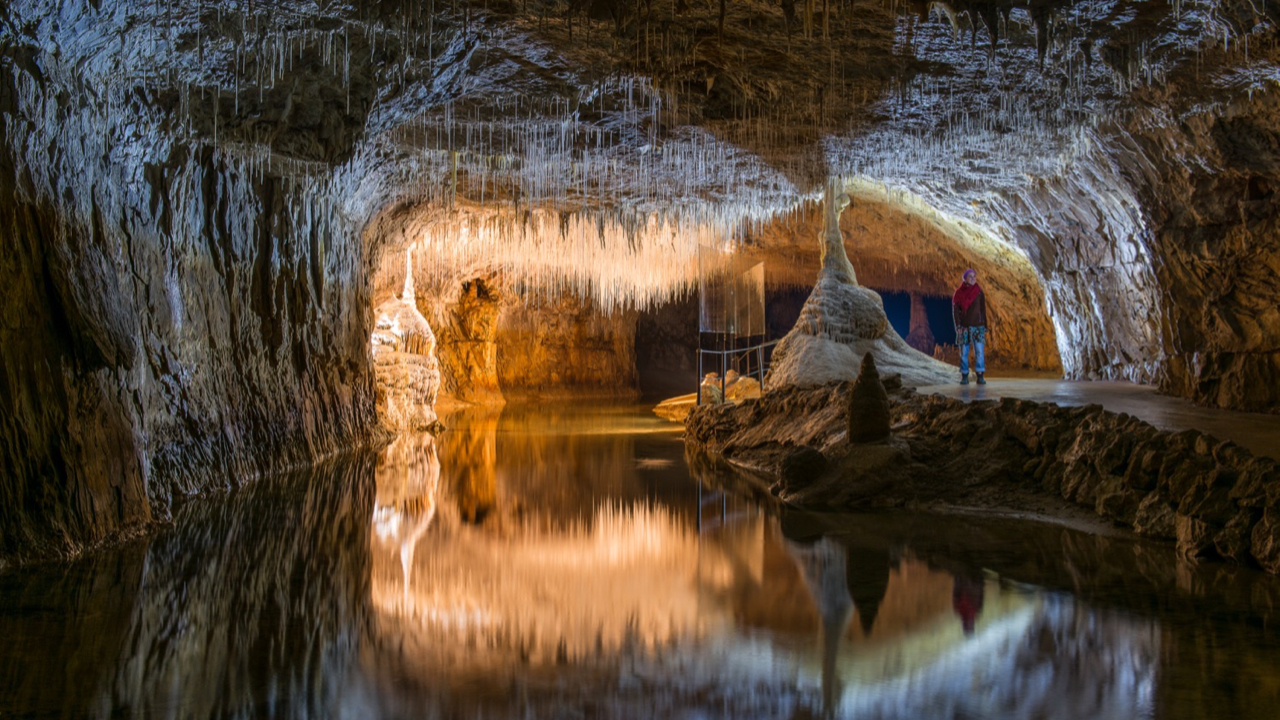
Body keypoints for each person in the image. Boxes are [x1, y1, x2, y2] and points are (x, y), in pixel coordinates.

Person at [952, 268, 988, 385]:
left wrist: (985, 324)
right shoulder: (959, 293)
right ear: (965, 279)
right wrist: (958, 325)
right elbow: (956, 311)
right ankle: (964, 375)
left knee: (979, 351)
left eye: (974, 276)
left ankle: (980, 375)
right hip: (964, 326)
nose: (973, 279)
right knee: (964, 352)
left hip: (978, 326)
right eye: (970, 277)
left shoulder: (978, 292)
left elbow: (983, 309)